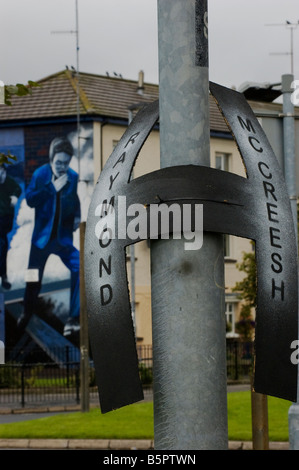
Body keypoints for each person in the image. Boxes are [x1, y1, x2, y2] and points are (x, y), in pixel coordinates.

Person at [17, 137, 81, 336]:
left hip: (61, 239)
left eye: (66, 162)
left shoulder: (73, 176)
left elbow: (74, 198)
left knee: (80, 266)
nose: (62, 167)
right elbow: (30, 200)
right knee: (32, 279)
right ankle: (27, 312)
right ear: (52, 159)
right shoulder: (40, 174)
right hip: (41, 241)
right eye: (59, 162)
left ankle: (73, 318)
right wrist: (52, 189)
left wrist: (77, 215)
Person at [0, 164, 21, 290]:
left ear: (5, 172)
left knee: (2, 245)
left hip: (5, 218)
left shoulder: (9, 181)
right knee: (2, 245)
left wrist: (15, 196)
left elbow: (18, 188)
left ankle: (3, 275)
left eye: (2, 173)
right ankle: (4, 276)